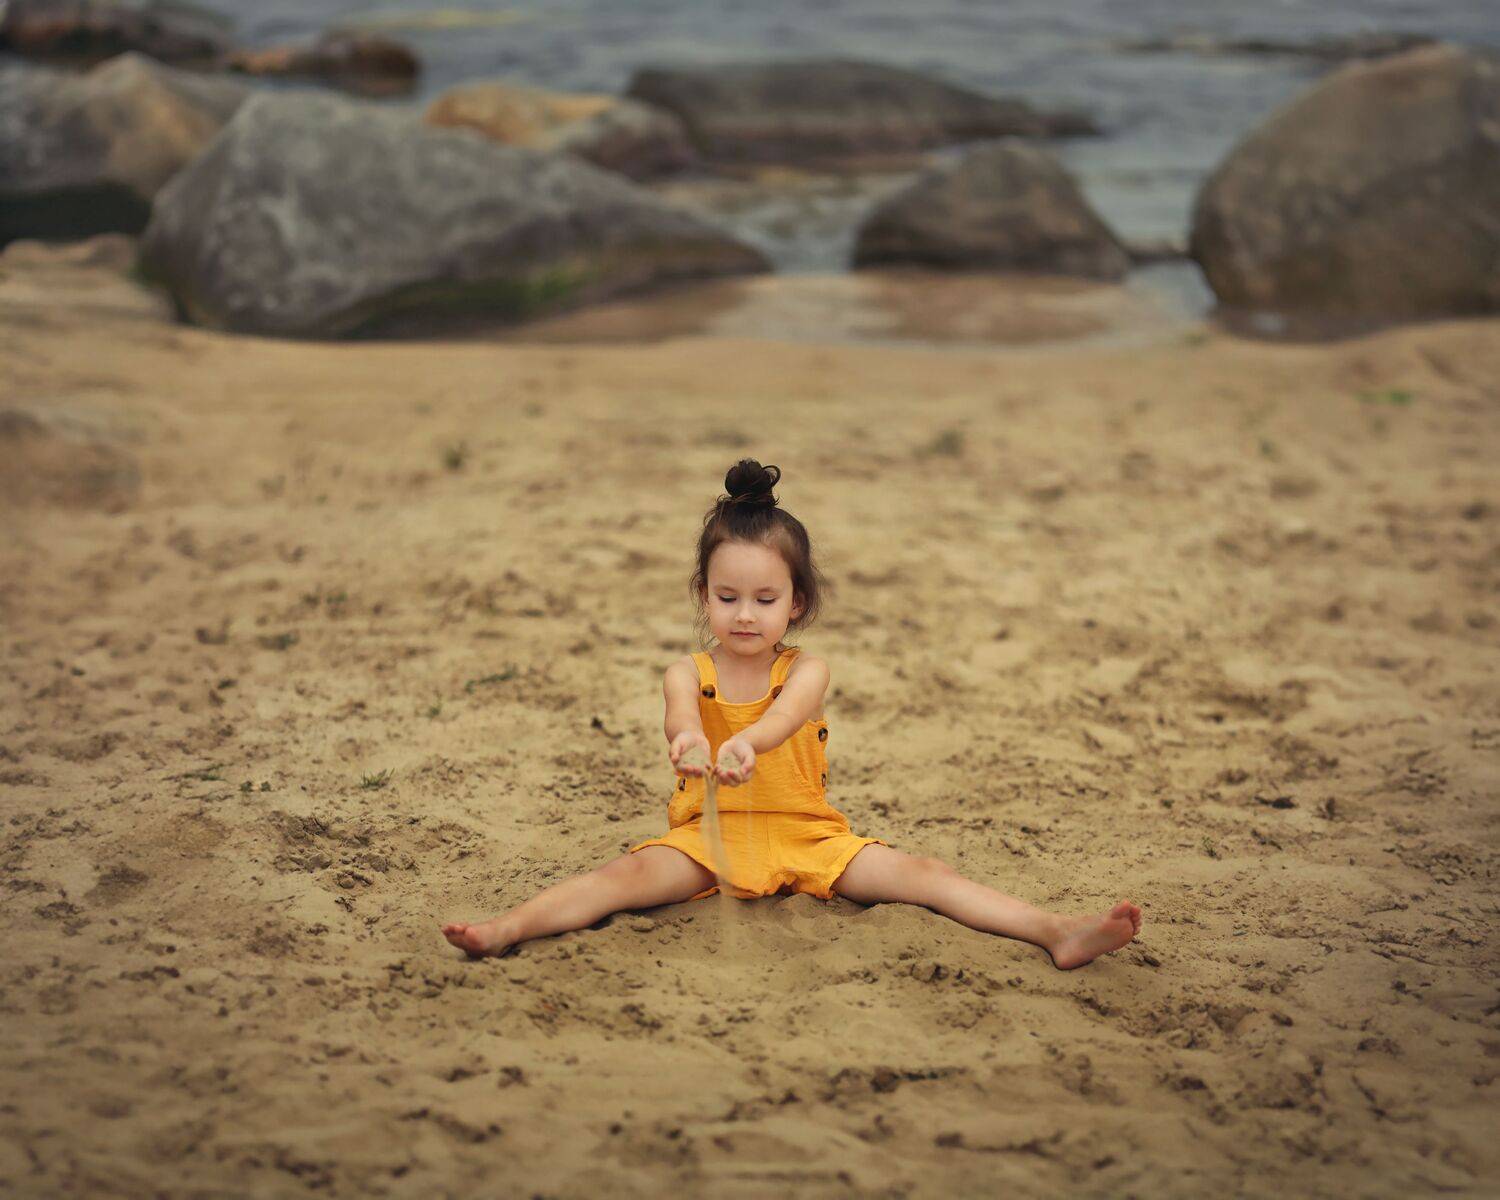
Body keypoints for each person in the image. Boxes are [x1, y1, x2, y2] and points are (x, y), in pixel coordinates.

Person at [441, 458, 1141, 968]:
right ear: (704, 594)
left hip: (807, 835)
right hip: (709, 839)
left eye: (765, 600)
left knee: (925, 875)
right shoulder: (688, 672)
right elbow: (680, 718)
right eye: (727, 597)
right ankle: (506, 929)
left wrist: (748, 744)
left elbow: (785, 718)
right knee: (618, 881)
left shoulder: (807, 669)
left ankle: (1056, 930)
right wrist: (689, 744)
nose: (745, 615)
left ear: (796, 601)